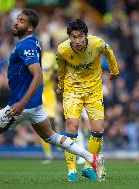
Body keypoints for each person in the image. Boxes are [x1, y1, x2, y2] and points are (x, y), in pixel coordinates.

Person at [0, 9, 103, 180]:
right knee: (52, 137)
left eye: (22, 21)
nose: (16, 23)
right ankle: (91, 158)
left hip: (21, 105)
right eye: (17, 19)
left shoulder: (26, 46)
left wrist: (21, 103)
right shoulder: (31, 42)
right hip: (35, 106)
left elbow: (38, 76)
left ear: (31, 27)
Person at [56, 19, 119, 182]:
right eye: (73, 37)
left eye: (80, 36)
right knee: (72, 125)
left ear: (86, 36)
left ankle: (89, 167)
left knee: (98, 130)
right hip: (72, 90)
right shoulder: (62, 50)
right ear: (69, 37)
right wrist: (61, 85)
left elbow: (109, 53)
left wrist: (114, 71)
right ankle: (71, 170)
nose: (77, 41)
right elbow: (61, 69)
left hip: (94, 91)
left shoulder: (97, 43)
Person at [40, 50, 58, 164]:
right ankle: (48, 154)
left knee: (50, 122)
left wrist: (54, 75)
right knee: (41, 124)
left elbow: (58, 69)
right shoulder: (29, 59)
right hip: (36, 93)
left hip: (48, 93)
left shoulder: (49, 56)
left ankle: (59, 141)